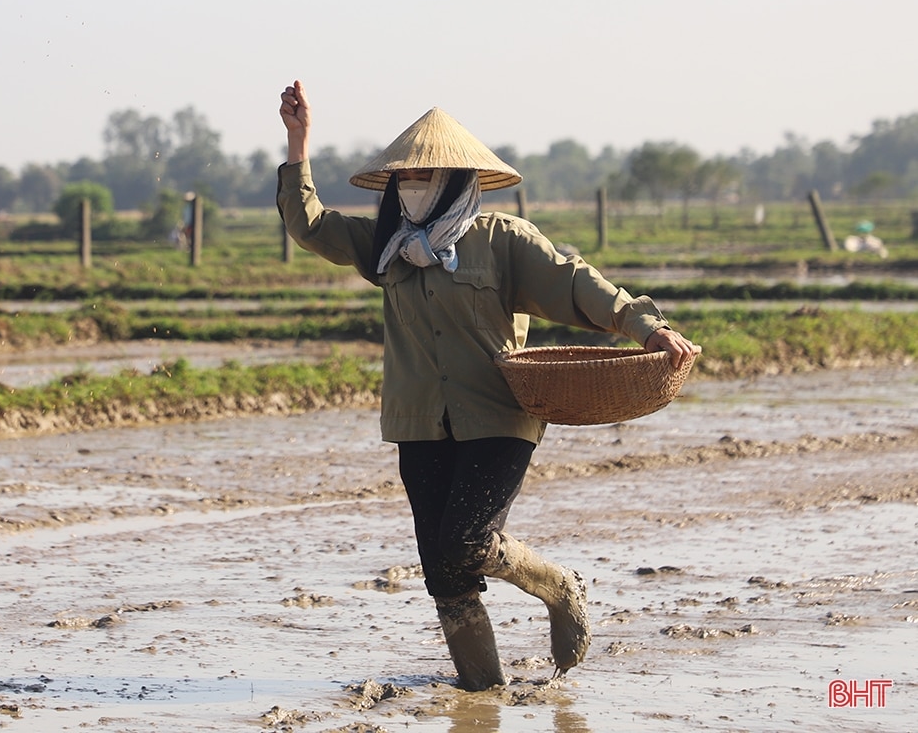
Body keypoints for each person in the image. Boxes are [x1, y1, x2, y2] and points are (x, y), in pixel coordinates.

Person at [276, 79, 700, 691]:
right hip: (419, 419)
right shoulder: (385, 246)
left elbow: (577, 283)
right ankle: (483, 697)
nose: (412, 188)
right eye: (405, 180)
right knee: (442, 572)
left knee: (469, 542)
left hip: (497, 418)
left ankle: (558, 586)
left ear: (456, 182)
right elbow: (310, 225)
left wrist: (646, 326)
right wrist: (298, 142)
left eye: (426, 178)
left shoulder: (502, 242)